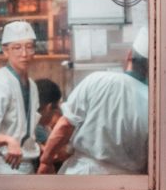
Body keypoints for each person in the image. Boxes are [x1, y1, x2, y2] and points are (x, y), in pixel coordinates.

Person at [38, 27, 149, 175]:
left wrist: (46, 161)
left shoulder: (97, 79)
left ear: (129, 56)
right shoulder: (154, 102)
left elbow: (65, 126)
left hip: (82, 174)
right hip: (127, 184)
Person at [0, 21, 41, 174]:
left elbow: (25, 130)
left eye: (29, 47)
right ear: (5, 51)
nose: (24, 54)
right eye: (17, 47)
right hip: (1, 166)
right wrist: (8, 140)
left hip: (28, 166)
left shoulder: (32, 85)